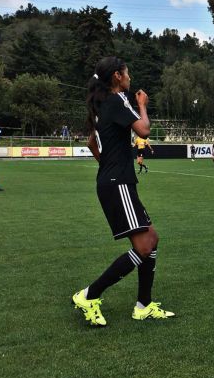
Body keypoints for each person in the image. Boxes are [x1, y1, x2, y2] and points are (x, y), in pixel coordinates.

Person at [72, 56, 175, 326]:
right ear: (117, 76)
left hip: (115, 181)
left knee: (151, 238)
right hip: (117, 183)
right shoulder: (118, 100)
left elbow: (92, 143)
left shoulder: (103, 104)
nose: (130, 77)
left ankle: (143, 305)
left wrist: (108, 166)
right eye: (127, 73)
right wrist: (142, 105)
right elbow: (144, 130)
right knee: (144, 246)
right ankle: (89, 295)